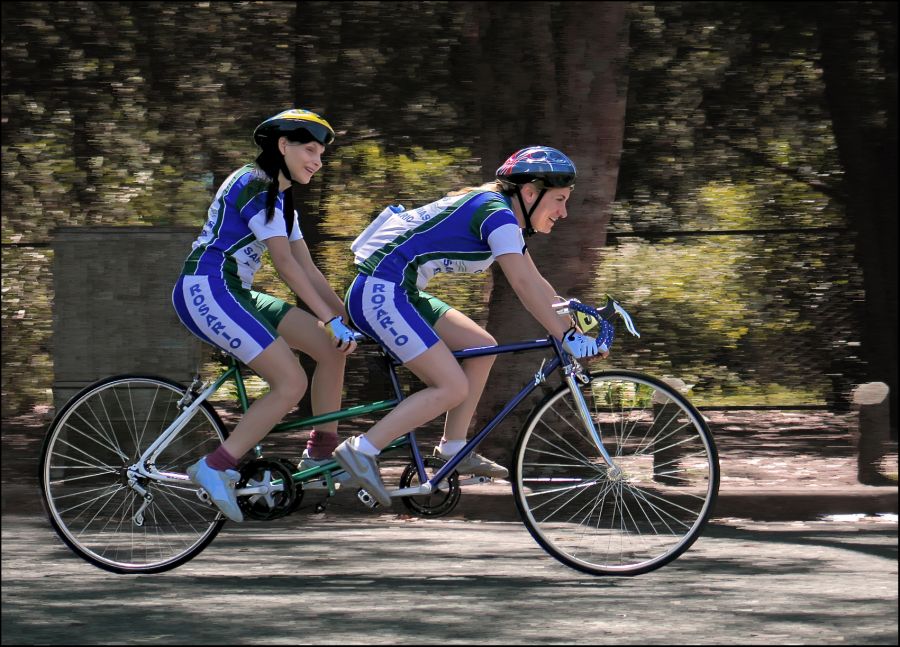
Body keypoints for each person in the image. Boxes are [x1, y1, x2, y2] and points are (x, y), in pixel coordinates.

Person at [334, 146, 606, 506]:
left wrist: (575, 329)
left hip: (399, 288)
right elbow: (523, 287)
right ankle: (361, 450)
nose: (563, 212)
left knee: (480, 348)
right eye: (558, 199)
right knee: (451, 386)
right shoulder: (497, 215)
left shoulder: (502, 214)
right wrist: (566, 337)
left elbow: (536, 283)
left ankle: (453, 447)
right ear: (529, 192)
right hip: (380, 290)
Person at [172, 108, 358, 522]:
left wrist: (347, 318)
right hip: (207, 287)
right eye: (310, 150)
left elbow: (307, 267)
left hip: (236, 291)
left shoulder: (280, 196)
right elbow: (286, 267)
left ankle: (319, 456)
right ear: (282, 145)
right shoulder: (257, 186)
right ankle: (215, 466)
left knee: (331, 349)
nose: (317, 161)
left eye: (322, 155)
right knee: (291, 381)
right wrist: (329, 319)